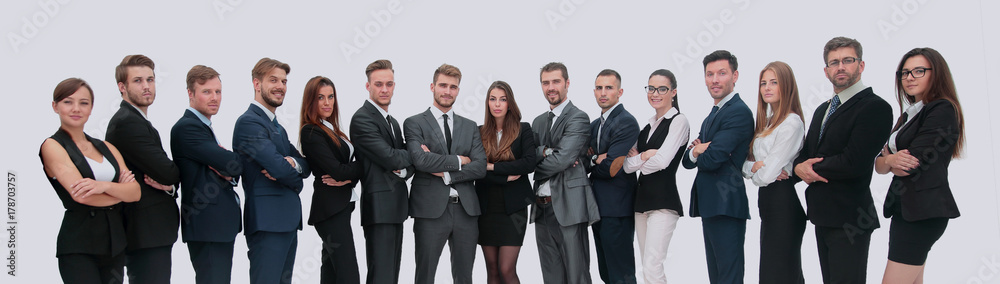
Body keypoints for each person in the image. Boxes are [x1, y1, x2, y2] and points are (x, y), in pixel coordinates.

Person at [793, 36, 892, 283]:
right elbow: (806, 154)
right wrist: (797, 166)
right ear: (826, 71)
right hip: (821, 214)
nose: (840, 67)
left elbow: (854, 162)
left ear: (861, 65)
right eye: (834, 62)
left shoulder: (875, 107)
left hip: (851, 219)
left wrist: (808, 168)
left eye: (847, 60)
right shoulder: (822, 109)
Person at [40, 78, 141, 284]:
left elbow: (136, 192)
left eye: (84, 102)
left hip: (114, 243)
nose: (76, 108)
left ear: (91, 108)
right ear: (55, 106)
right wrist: (120, 192)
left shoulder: (107, 147)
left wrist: (103, 186)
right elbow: (82, 195)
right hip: (79, 245)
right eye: (68, 102)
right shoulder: (52, 145)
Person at [876, 47, 963, 283]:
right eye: (904, 73)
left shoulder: (942, 109)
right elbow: (880, 164)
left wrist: (889, 160)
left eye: (918, 71)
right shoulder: (909, 115)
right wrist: (890, 160)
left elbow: (911, 163)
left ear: (936, 74)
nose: (909, 78)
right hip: (905, 210)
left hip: (923, 213)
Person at [404, 63, 487, 284]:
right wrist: (460, 160)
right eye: (442, 85)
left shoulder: (470, 127)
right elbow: (421, 160)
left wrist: (446, 173)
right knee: (425, 275)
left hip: (466, 211)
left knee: (464, 277)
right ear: (432, 86)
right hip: (430, 211)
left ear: (458, 90)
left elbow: (480, 167)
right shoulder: (414, 123)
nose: (447, 91)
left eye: (453, 87)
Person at [233, 57, 310, 284]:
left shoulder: (279, 128)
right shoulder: (249, 122)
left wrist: (293, 165)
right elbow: (278, 167)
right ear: (257, 84)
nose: (280, 86)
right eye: (273, 80)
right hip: (267, 222)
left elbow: (304, 164)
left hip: (286, 221)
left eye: (284, 81)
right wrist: (295, 178)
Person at [104, 54, 180, 284]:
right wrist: (171, 180)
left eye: (150, 79)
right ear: (122, 87)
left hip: (152, 232)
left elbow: (166, 177)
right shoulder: (127, 123)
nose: (146, 86)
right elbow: (168, 172)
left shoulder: (137, 121)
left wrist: (169, 186)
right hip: (144, 233)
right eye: (137, 81)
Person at [681, 50, 754, 284]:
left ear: (735, 76)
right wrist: (696, 150)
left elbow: (713, 158)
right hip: (712, 204)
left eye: (722, 73)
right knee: (717, 277)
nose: (715, 79)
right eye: (710, 74)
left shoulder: (738, 112)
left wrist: (702, 151)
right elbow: (687, 161)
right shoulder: (714, 113)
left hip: (726, 203)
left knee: (728, 277)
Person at [171, 65, 243, 284]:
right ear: (190, 94)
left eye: (218, 91)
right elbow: (235, 163)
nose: (215, 98)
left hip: (217, 227)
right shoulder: (187, 128)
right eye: (207, 91)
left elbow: (229, 168)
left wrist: (227, 170)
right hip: (208, 227)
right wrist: (228, 165)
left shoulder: (204, 128)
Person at [531, 62, 601, 284]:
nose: (551, 87)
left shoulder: (578, 117)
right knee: (551, 275)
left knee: (576, 273)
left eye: (556, 82)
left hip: (569, 206)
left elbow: (562, 159)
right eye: (546, 82)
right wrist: (542, 155)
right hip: (541, 208)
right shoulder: (538, 122)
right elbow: (529, 158)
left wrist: (540, 158)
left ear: (567, 83)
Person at [349, 59, 414, 284]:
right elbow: (391, 157)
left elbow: (405, 162)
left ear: (394, 85)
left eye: (389, 84)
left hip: (396, 207)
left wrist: (405, 170)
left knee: (391, 275)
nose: (384, 89)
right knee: (381, 276)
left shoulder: (393, 122)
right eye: (378, 84)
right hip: (379, 209)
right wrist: (417, 154)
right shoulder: (362, 118)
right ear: (368, 86)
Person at [741, 61, 806, 284]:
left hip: (783, 204)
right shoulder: (767, 123)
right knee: (774, 273)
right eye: (763, 83)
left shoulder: (792, 123)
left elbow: (768, 176)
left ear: (786, 86)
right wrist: (755, 167)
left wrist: (759, 170)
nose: (767, 88)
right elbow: (745, 164)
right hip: (768, 203)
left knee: (779, 274)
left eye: (774, 82)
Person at [623, 69, 689, 284]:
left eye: (662, 89)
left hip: (664, 203)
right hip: (641, 205)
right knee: (647, 266)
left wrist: (640, 160)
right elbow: (626, 165)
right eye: (651, 88)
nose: (655, 93)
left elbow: (662, 162)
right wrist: (646, 155)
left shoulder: (679, 121)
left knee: (653, 266)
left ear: (673, 92)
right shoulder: (647, 126)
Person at [299, 76, 363, 284]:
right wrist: (360, 169)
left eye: (330, 97)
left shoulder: (332, 128)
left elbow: (344, 173)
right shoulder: (311, 131)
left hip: (340, 208)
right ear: (311, 101)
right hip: (330, 211)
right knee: (348, 274)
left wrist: (349, 178)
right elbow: (337, 171)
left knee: (332, 273)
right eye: (320, 97)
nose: (327, 102)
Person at [475, 80, 537, 284]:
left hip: (514, 209)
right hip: (486, 208)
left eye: (502, 99)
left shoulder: (523, 130)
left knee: (506, 269)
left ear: (510, 103)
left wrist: (493, 167)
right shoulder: (479, 132)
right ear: (487, 103)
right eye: (493, 99)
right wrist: (504, 175)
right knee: (492, 270)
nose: (497, 104)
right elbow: (476, 170)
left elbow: (528, 163)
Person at [586, 69, 639, 284]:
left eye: (609, 87)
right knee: (606, 273)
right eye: (599, 88)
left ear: (620, 91)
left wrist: (596, 160)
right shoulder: (594, 125)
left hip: (617, 208)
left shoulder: (626, 122)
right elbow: (583, 161)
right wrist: (597, 158)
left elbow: (611, 168)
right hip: (597, 207)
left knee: (621, 274)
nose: (603, 93)